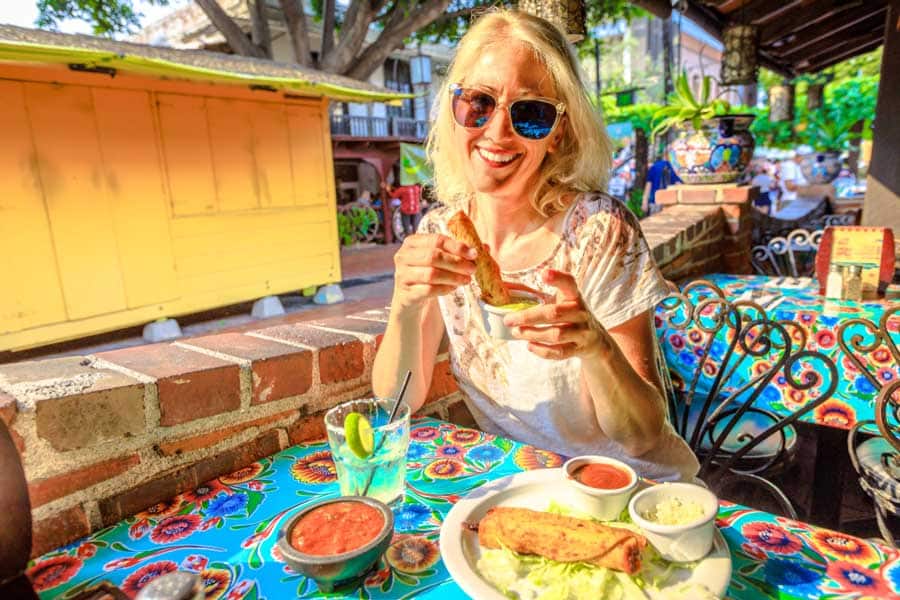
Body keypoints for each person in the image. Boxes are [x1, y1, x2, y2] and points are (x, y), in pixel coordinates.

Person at [372, 9, 699, 481]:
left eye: (530, 113)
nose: (498, 132)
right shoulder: (439, 232)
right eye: (478, 103)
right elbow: (397, 401)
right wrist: (403, 303)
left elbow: (643, 436)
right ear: (452, 107)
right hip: (518, 483)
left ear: (559, 131)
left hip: (632, 488)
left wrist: (596, 348)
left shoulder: (599, 232)